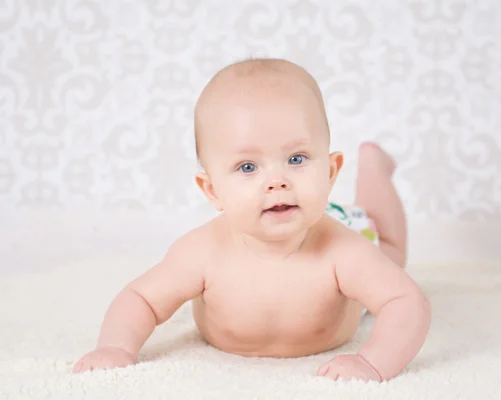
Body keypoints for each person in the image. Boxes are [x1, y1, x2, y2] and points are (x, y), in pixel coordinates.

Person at [73, 58, 431, 382]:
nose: (277, 181)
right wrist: (117, 347)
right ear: (212, 190)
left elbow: (406, 301)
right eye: (248, 167)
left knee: (390, 249)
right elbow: (142, 299)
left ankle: (374, 169)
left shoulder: (344, 250)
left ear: (330, 171)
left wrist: (373, 362)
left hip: (347, 226)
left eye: (296, 159)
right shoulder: (201, 252)